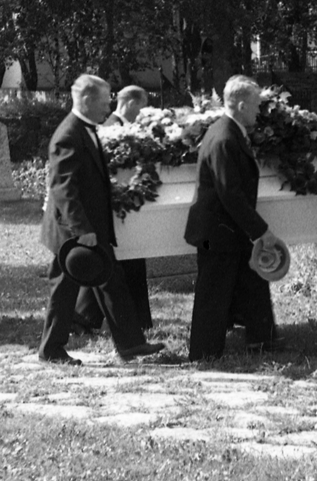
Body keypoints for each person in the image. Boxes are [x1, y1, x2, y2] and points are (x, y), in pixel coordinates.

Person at [37, 74, 165, 365]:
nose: (109, 106)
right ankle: (51, 350)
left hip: (90, 225)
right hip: (71, 230)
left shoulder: (86, 129)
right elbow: (63, 188)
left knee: (111, 280)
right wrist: (81, 229)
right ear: (87, 100)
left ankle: (130, 344)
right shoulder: (68, 134)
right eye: (105, 99)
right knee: (64, 288)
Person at [185, 75, 285, 361]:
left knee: (253, 281)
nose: (259, 111)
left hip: (226, 229)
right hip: (217, 231)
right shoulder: (225, 138)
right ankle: (204, 353)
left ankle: (260, 339)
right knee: (213, 294)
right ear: (241, 105)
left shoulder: (228, 131)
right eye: (255, 105)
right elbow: (230, 193)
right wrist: (260, 231)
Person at [74, 84, 153, 333]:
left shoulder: (120, 126)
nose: (144, 111)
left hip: (125, 203)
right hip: (115, 205)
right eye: (142, 105)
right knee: (109, 265)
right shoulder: (110, 128)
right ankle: (87, 318)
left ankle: (135, 322)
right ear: (131, 102)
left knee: (126, 262)